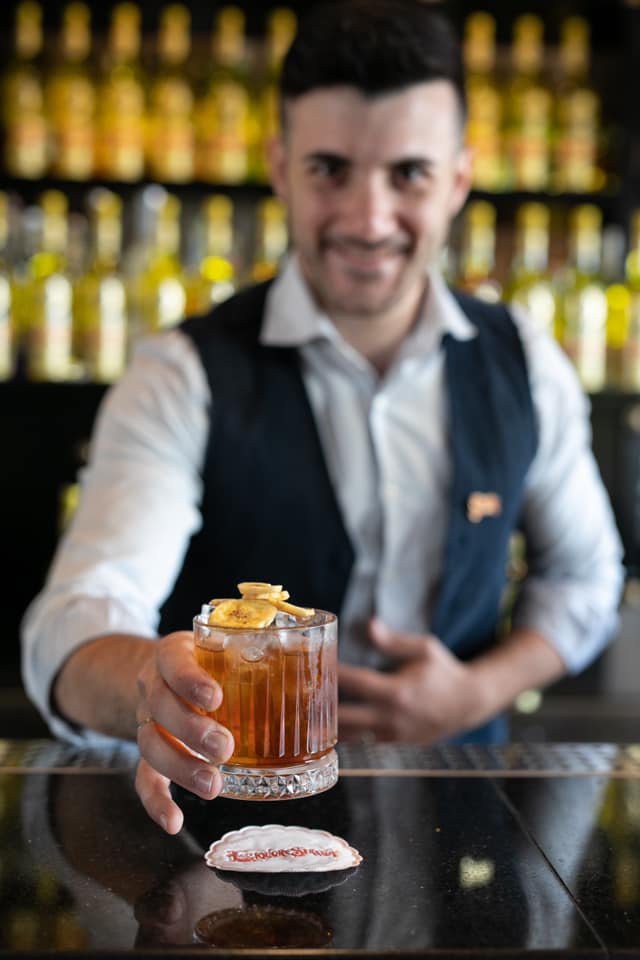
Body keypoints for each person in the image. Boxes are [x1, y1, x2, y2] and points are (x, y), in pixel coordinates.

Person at [21, 0, 624, 835]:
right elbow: (77, 614)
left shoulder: (526, 361)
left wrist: (477, 691)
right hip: (229, 838)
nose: (368, 220)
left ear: (458, 180)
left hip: (459, 821)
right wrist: (147, 683)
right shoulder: (181, 371)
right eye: (330, 169)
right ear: (280, 167)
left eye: (408, 174)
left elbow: (584, 580)